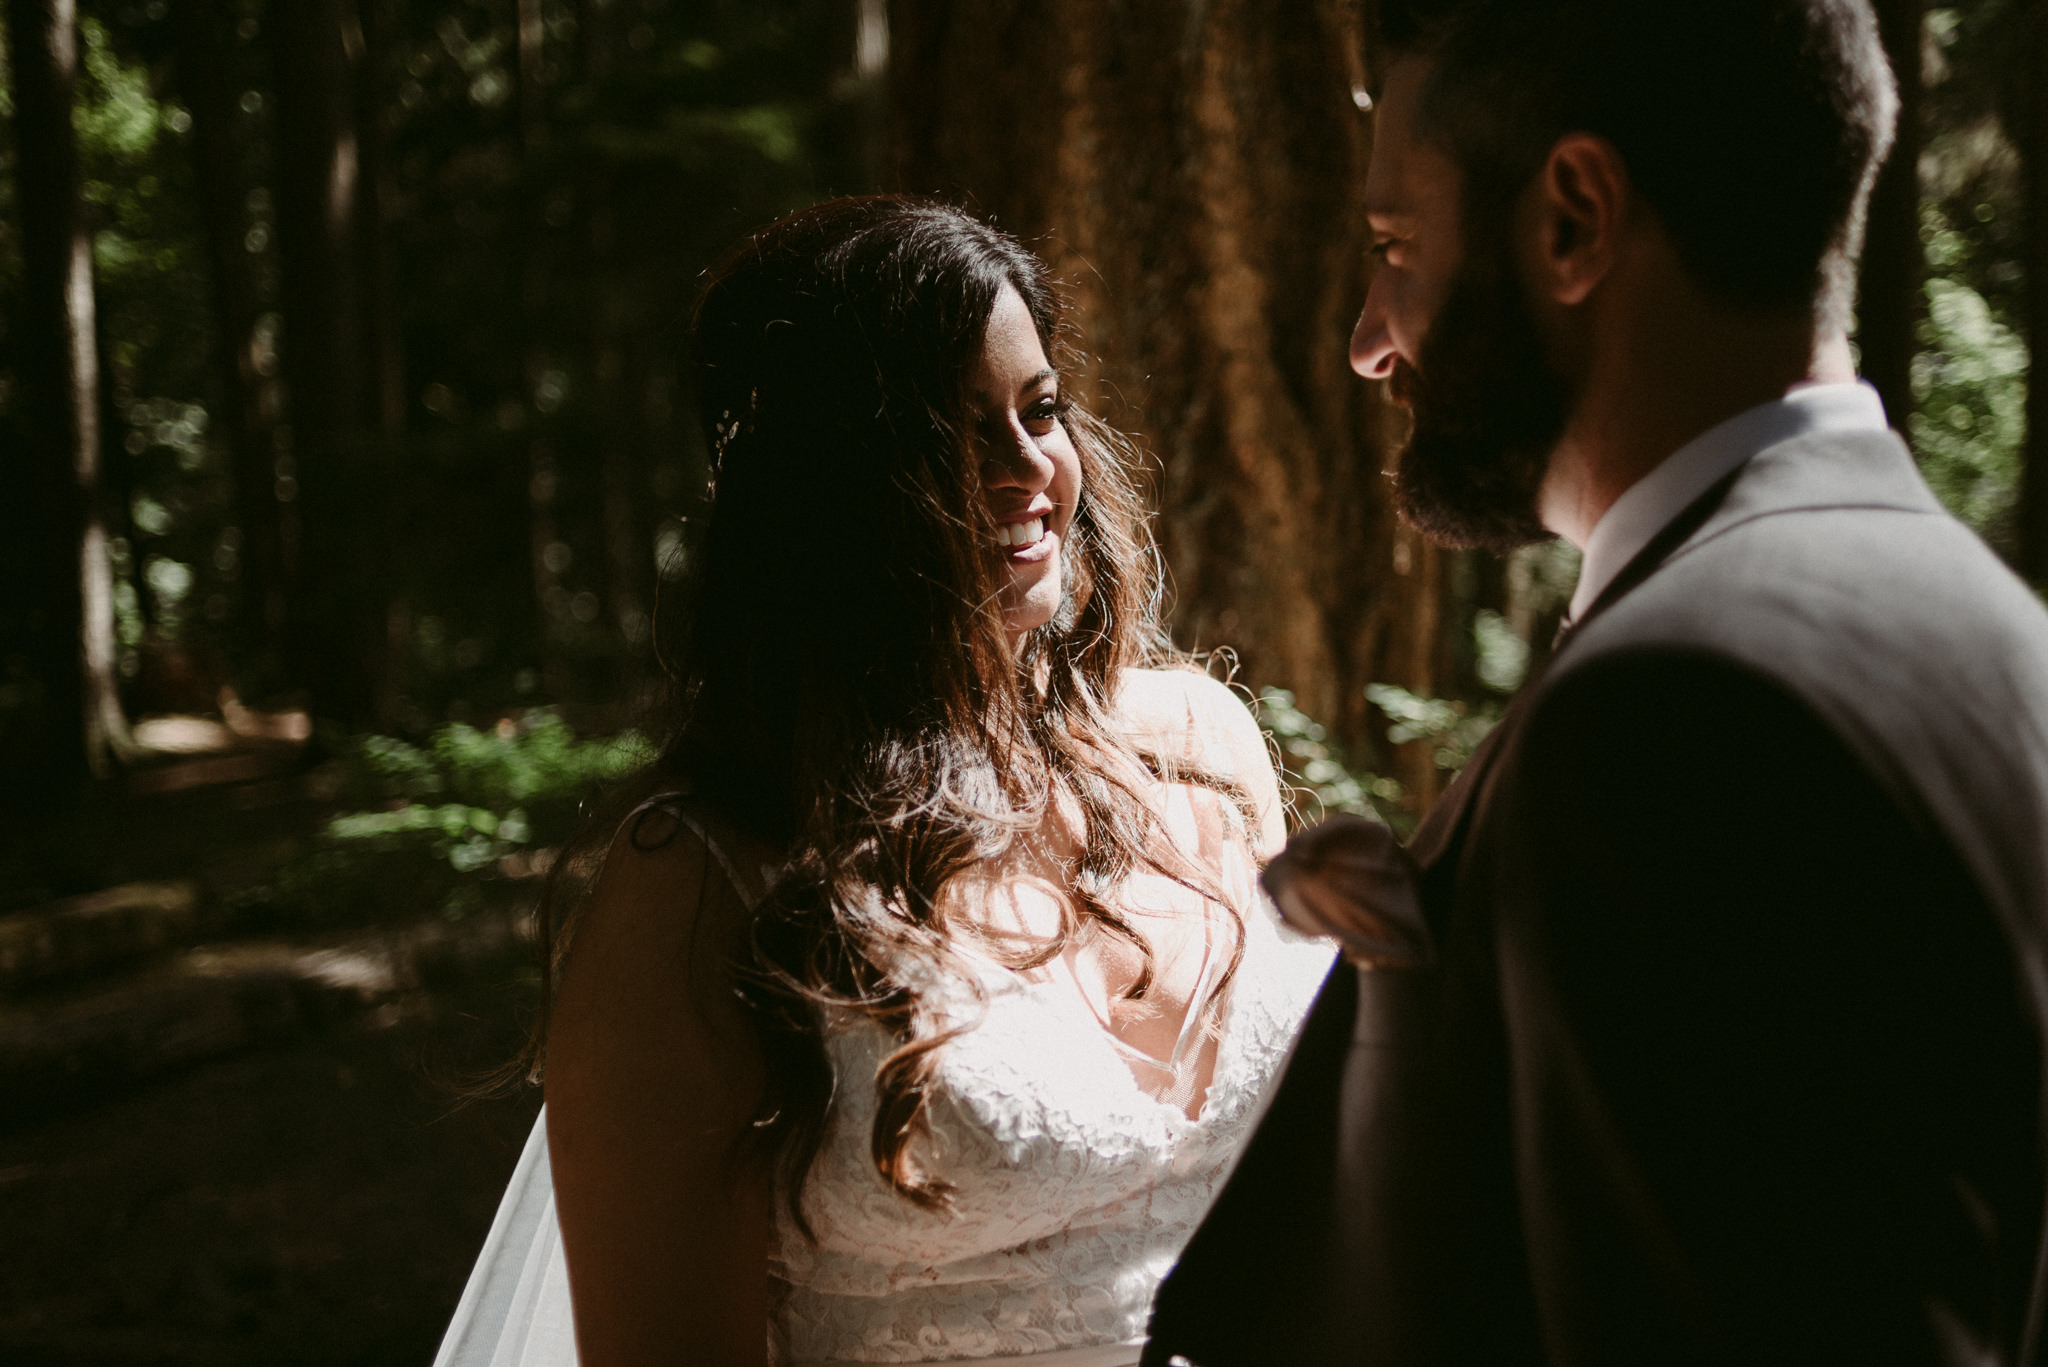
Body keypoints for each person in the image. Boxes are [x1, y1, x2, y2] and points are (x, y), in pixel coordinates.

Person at [1146, 1, 2048, 1363]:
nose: (1369, 339)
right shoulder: (1990, 623)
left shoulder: (1677, 711)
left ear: (1572, 218)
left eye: (1396, 249)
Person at [431, 196, 1335, 1367]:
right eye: (949, 432)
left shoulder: (1199, 746)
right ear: (824, 494)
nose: (1024, 468)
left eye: (1039, 408)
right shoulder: (708, 883)